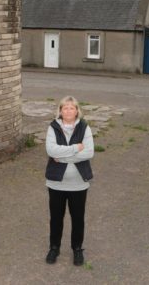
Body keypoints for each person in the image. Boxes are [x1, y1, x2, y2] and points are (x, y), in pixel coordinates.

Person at [44, 96, 95, 266]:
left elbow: (89, 153)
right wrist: (75, 149)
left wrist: (62, 157)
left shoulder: (84, 127)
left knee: (78, 218)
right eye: (65, 108)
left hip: (79, 183)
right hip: (56, 183)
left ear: (77, 111)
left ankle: (77, 249)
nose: (68, 111)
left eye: (71, 108)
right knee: (56, 217)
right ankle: (54, 248)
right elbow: (51, 150)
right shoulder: (53, 127)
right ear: (60, 111)